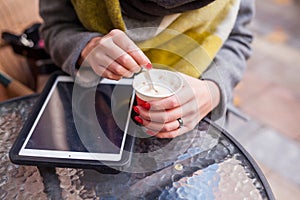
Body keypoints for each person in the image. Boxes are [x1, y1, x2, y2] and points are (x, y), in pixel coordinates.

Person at [39, 0, 254, 138]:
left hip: (196, 131)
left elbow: (238, 38)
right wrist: (86, 47)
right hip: (97, 120)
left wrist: (213, 91)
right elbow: (54, 27)